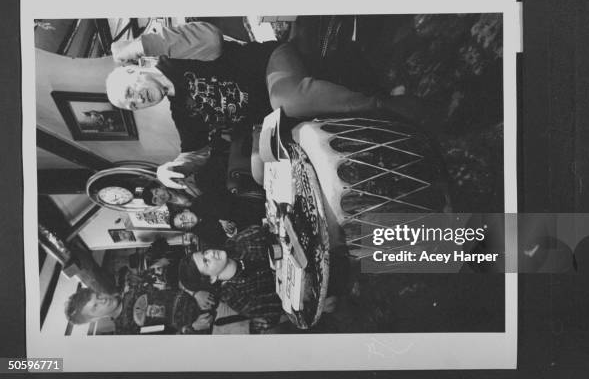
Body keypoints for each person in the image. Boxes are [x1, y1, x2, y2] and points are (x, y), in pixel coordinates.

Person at [106, 21, 419, 190]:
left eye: (131, 92)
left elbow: (212, 41)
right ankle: (375, 168)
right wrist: (173, 167)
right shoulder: (180, 111)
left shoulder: (172, 56)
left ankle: (384, 106)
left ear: (135, 70)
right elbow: (196, 152)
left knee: (290, 99)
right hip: (266, 119)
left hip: (269, 65)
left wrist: (140, 44)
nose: (137, 100)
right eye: (132, 105)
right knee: (261, 174)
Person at [178, 225, 282, 334]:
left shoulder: (234, 244)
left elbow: (266, 230)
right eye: (206, 261)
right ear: (212, 279)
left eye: (205, 252)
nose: (211, 253)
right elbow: (275, 310)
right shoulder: (236, 297)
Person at [65, 272, 216, 334]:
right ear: (93, 319)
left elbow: (172, 281)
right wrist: (193, 328)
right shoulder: (125, 333)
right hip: (208, 327)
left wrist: (194, 292)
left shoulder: (134, 286)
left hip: (208, 295)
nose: (102, 299)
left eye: (97, 295)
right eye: (95, 306)